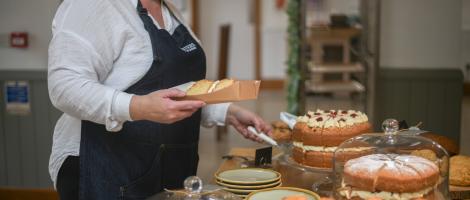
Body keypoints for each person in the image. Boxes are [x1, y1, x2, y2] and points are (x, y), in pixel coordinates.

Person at [47, 0, 272, 199]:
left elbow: (178, 90)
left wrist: (227, 112)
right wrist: (139, 107)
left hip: (170, 169)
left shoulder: (170, 12)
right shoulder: (93, 6)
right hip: (107, 168)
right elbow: (64, 86)